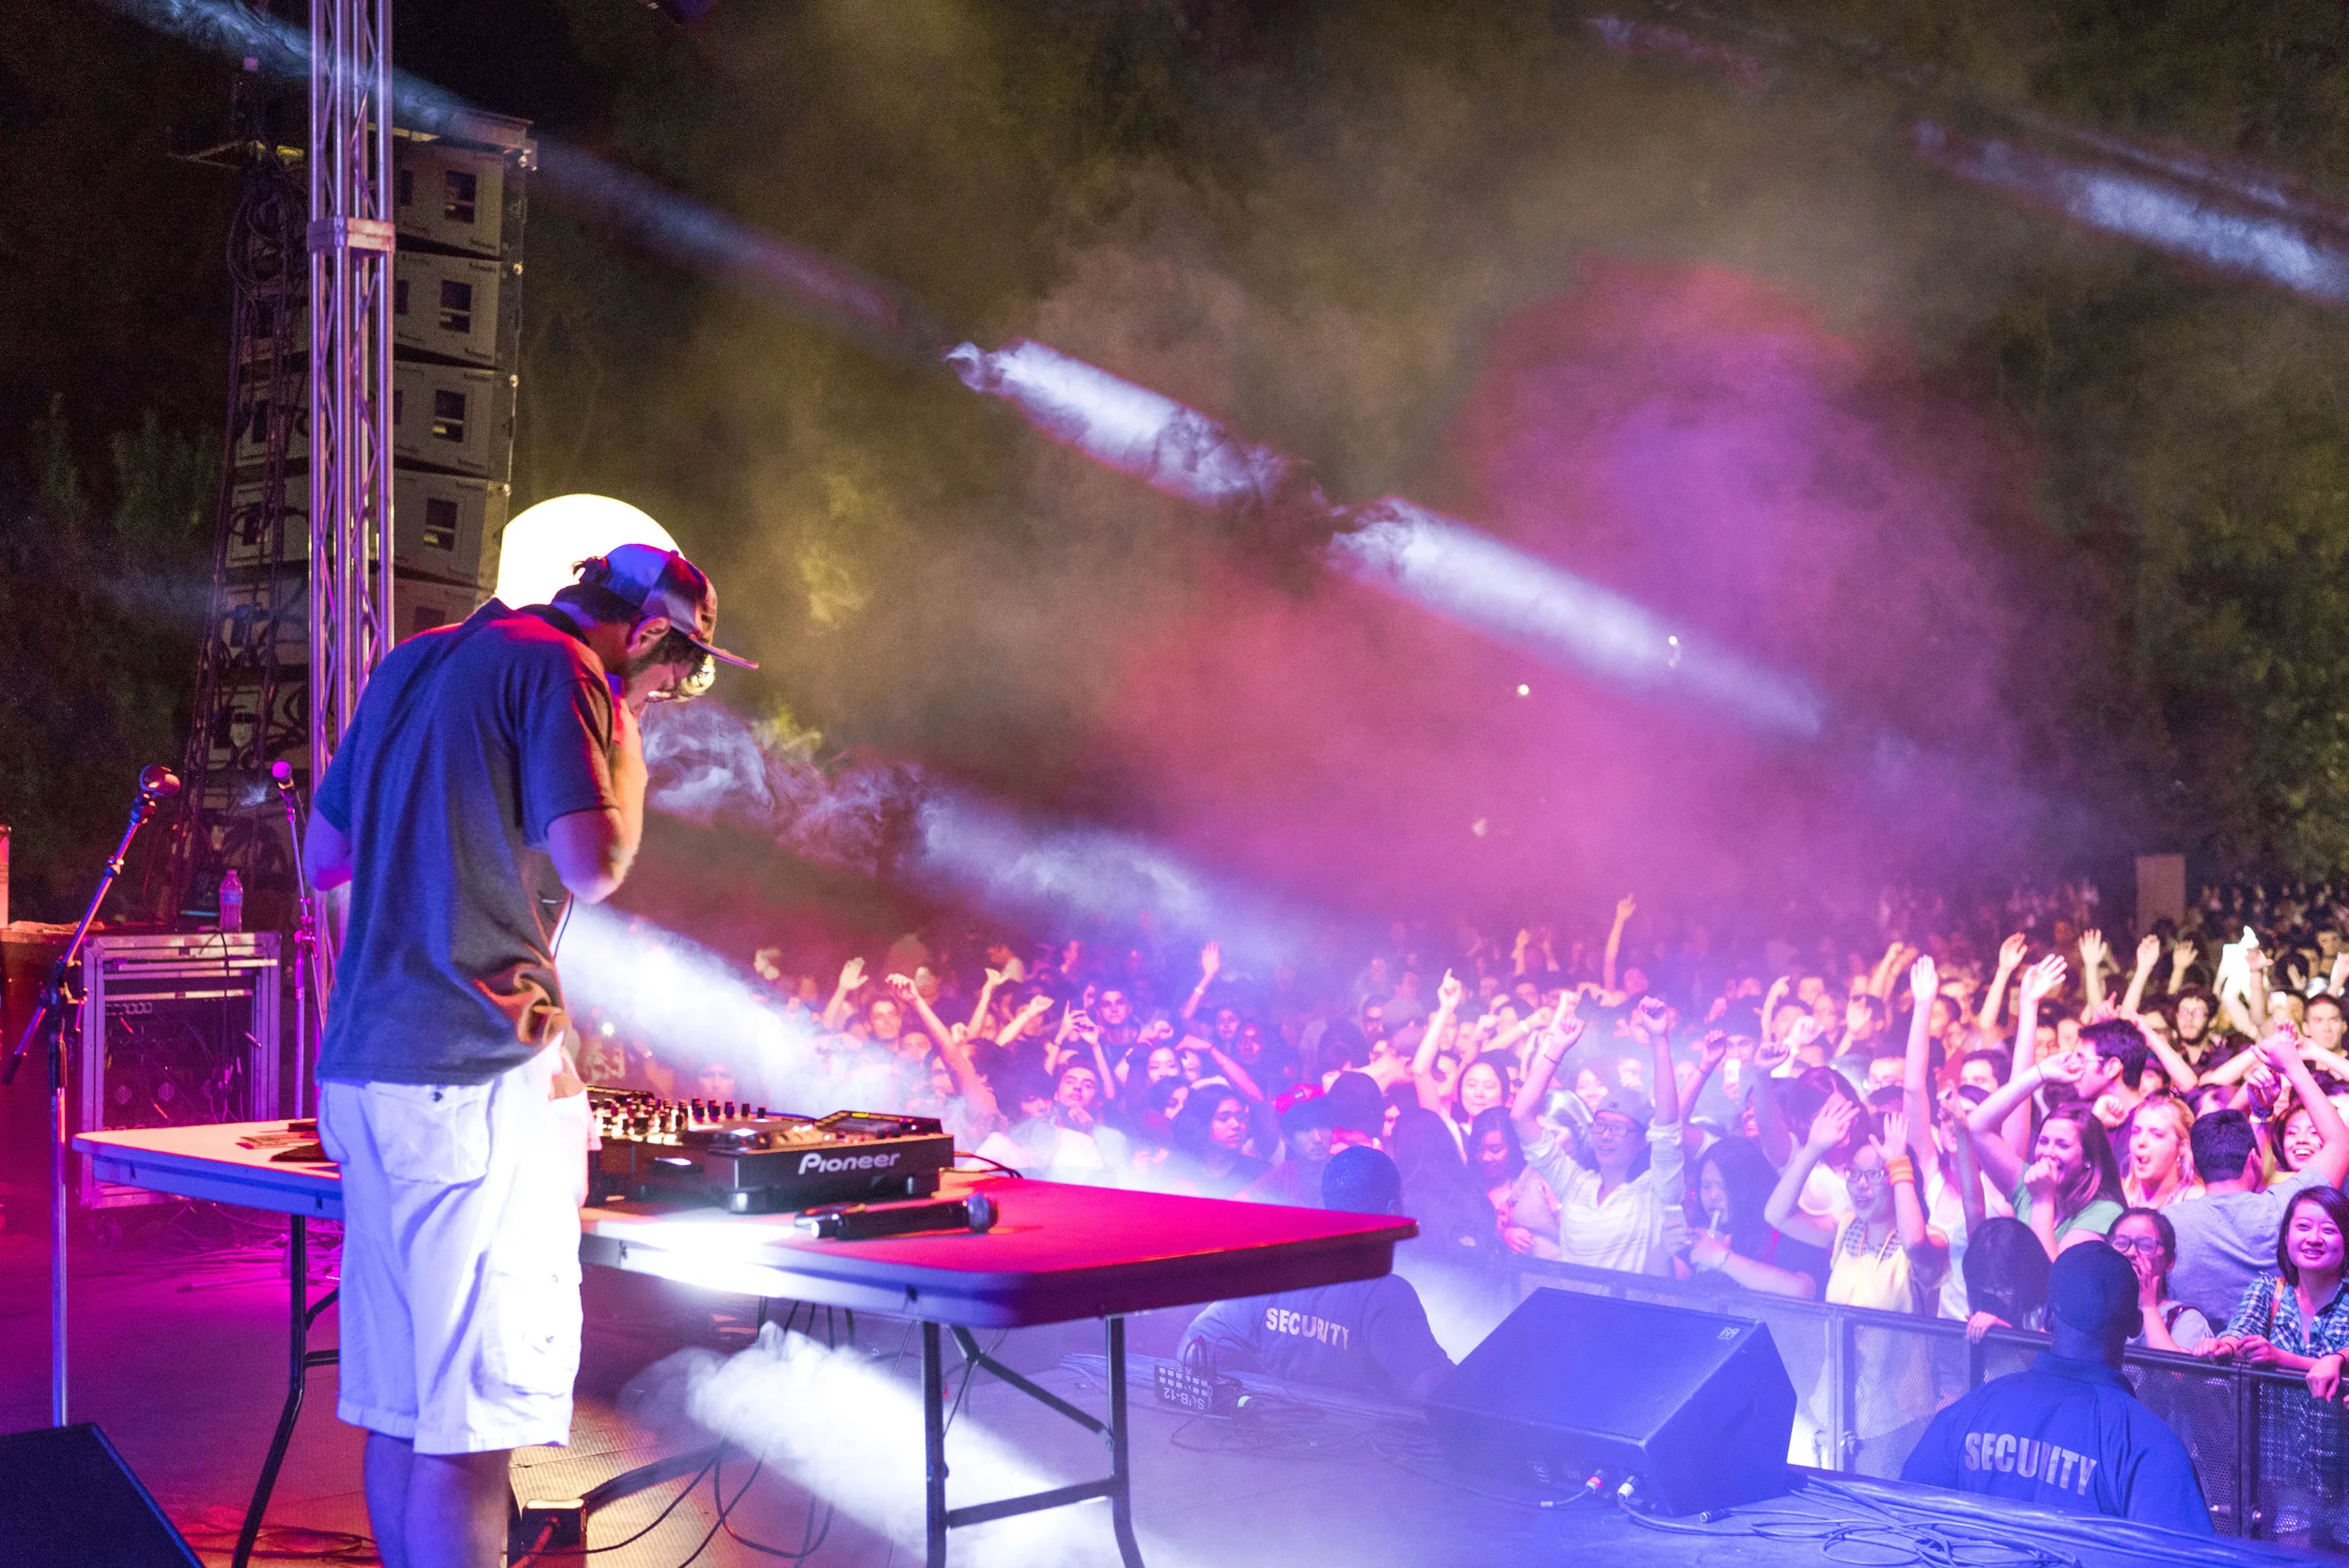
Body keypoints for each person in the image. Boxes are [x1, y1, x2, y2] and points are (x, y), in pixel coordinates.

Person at [303, 543, 750, 1568]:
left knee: (408, 1411)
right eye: (677, 673)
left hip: (370, 1066)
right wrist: (622, 747)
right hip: (477, 1076)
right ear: (646, 634)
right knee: (474, 1432)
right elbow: (595, 864)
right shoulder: (561, 670)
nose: (670, 694)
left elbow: (323, 856)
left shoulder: (415, 660)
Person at [1899, 1244, 2213, 1532]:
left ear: (2048, 1316)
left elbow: (1904, 1521)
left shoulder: (1972, 1410)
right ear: (2135, 1325)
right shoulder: (2150, 1445)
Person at [1177, 1148, 1456, 1402]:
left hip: (1273, 1442)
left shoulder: (1274, 1272)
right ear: (1392, 1212)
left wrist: (1254, 1398)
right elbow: (1439, 1396)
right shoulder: (1386, 1295)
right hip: (1359, 1453)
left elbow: (1192, 1348)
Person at [2166, 1036, 2349, 1325]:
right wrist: (2293, 1066)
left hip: (2188, 1363)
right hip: (2268, 1363)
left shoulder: (2167, 1222)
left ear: (2198, 1167)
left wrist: (2259, 1111)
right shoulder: (2283, 1209)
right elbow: (2340, 1143)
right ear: (2254, 1159)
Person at [1509, 1005, 1684, 1274]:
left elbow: (1668, 1129)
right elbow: (1521, 1118)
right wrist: (1555, 1050)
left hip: (1626, 1313)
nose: (1605, 1135)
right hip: (1574, 1313)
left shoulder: (1654, 1191)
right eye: (1600, 1125)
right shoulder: (1575, 1184)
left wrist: (1659, 1039)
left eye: (1617, 1128)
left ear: (1642, 1141)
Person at [2108, 1207, 2210, 1352]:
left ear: (2170, 1261)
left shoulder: (2184, 1317)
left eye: (2145, 1245)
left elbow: (2176, 1373)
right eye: (2121, 1243)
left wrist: (2148, 1307)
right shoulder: (2099, 1307)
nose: (2131, 1253)